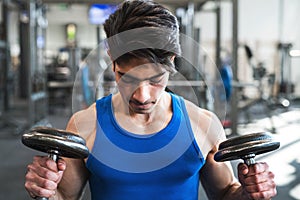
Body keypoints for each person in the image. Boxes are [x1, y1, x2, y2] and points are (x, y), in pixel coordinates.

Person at [25, 0, 277, 199]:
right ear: (112, 61)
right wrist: (44, 190)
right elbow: (65, 197)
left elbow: (225, 195)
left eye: (155, 80)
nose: (142, 97)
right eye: (127, 78)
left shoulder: (203, 124)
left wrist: (249, 191)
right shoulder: (85, 124)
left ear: (172, 63)